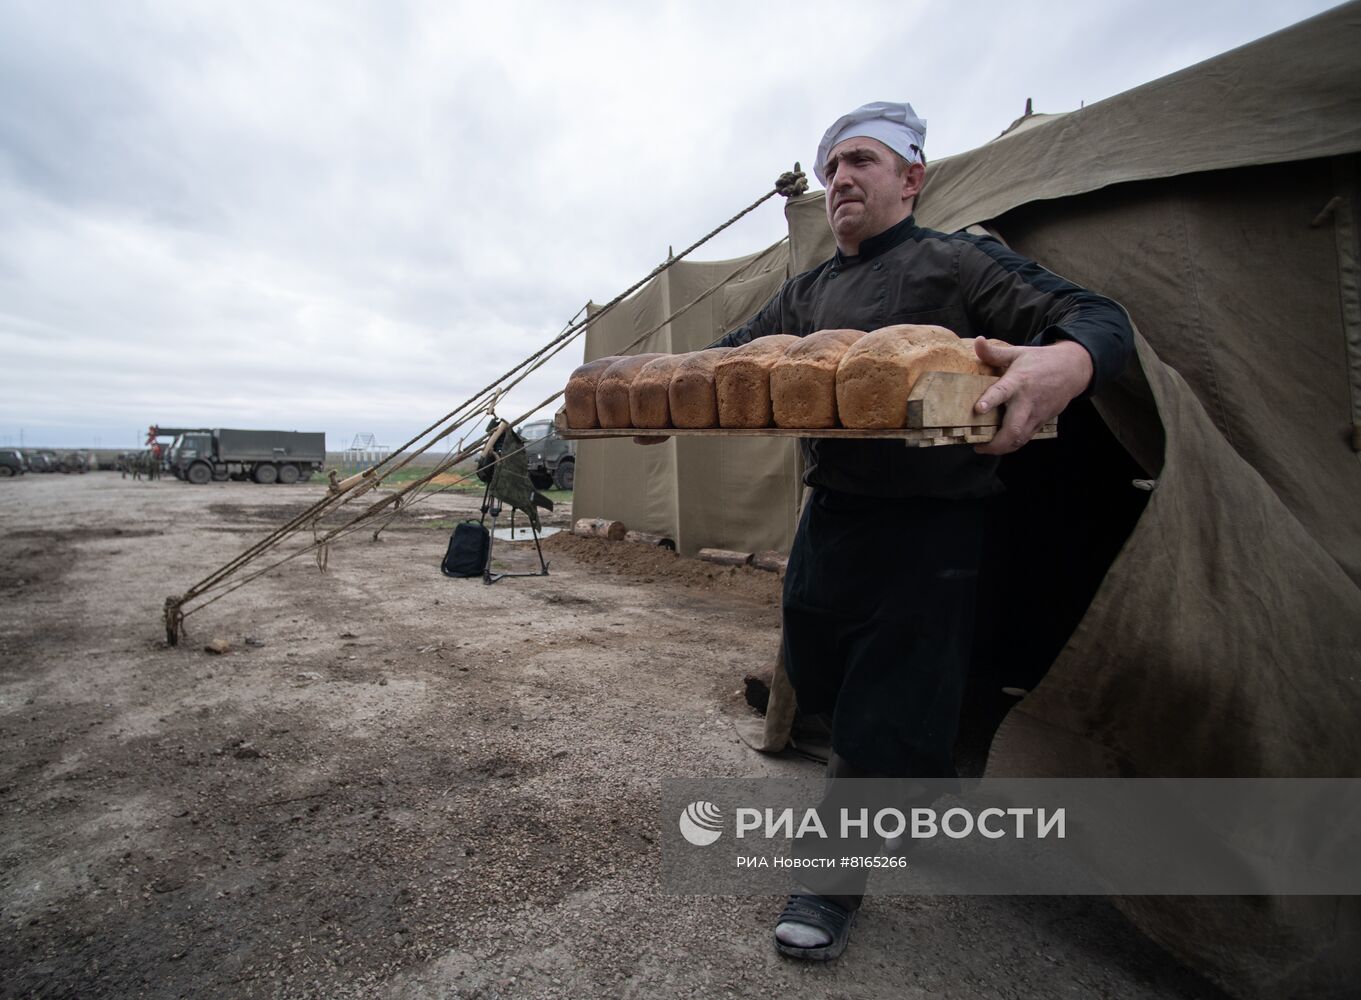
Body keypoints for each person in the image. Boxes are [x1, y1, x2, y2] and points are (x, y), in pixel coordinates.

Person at [706, 101, 1134, 959]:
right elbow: (731, 357)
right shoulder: (807, 292)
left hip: (934, 525)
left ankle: (829, 885)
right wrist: (675, 393)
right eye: (830, 168)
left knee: (881, 711)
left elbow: (1096, 317)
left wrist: (1066, 359)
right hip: (833, 513)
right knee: (820, 669)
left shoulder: (960, 262)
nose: (838, 181)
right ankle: (921, 786)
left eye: (859, 161)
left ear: (910, 178)